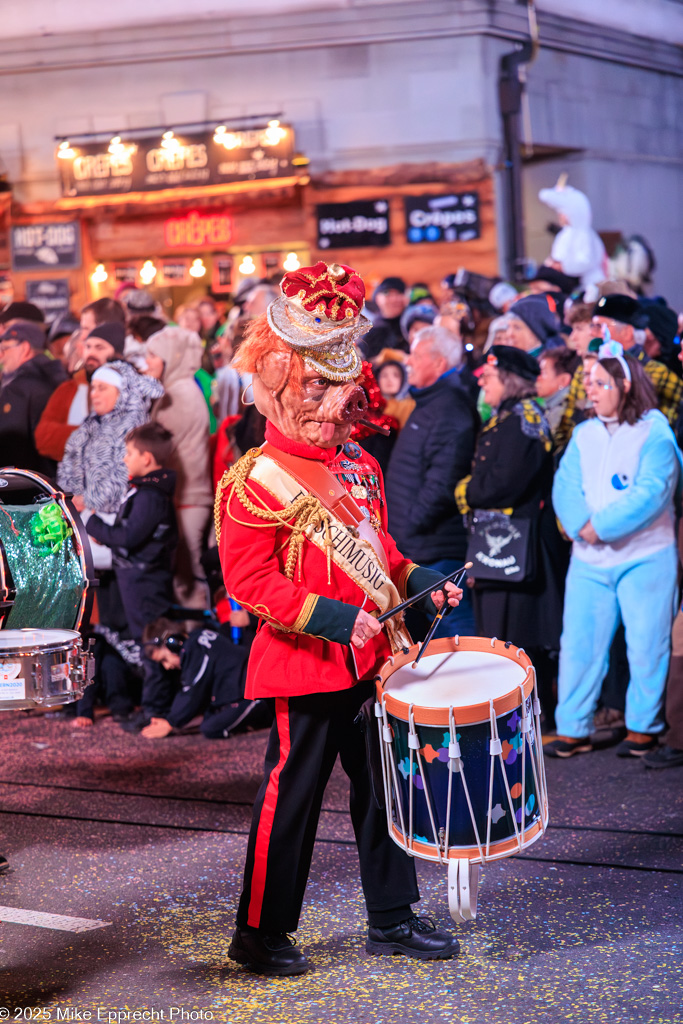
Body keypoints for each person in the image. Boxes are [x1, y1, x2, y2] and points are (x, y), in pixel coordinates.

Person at [216, 260, 463, 976]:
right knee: (288, 802)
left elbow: (379, 548)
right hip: (306, 662)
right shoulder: (254, 477)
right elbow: (248, 580)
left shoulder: (359, 466)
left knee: (385, 792)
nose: (327, 403)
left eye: (335, 388)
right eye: (314, 387)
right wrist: (331, 618)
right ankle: (259, 932)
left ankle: (391, 918)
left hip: (370, 659)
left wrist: (420, 579)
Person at [548, 342, 682, 758]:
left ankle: (643, 728)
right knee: (579, 645)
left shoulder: (655, 429)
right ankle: (573, 727)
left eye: (600, 383)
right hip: (589, 562)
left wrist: (599, 527)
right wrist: (579, 526)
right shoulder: (585, 433)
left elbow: (653, 491)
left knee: (647, 644)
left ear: (624, 385)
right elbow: (565, 484)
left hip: (646, 556)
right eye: (589, 383)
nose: (591, 390)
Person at [455, 346, 568, 729]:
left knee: (518, 636)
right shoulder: (509, 418)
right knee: (502, 634)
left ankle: (530, 721)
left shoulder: (522, 420)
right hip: (503, 544)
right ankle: (513, 719)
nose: (482, 382)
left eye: (489, 376)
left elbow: (501, 485)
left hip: (521, 547)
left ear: (508, 378)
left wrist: (467, 491)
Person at [84, 422, 178, 730]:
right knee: (144, 644)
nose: (124, 459)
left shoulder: (150, 496)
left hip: (147, 585)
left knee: (152, 645)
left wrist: (92, 522)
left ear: (147, 458)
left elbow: (128, 536)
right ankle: (150, 707)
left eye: (129, 453)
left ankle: (155, 711)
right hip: (137, 582)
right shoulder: (143, 492)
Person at [386, 325, 477, 636]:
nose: (407, 362)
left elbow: (442, 485)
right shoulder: (431, 403)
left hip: (435, 550)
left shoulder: (450, 409)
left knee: (457, 636)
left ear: (439, 363)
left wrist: (408, 527)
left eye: (416, 355)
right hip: (419, 546)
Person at [144, 326, 213, 610]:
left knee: (190, 571)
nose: (146, 362)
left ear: (171, 358)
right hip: (188, 494)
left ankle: (199, 637)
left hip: (188, 496)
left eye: (152, 356)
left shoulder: (178, 395)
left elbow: (158, 446)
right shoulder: (177, 389)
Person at [57, 360, 163, 515]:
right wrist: (69, 498)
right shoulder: (89, 424)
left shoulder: (133, 426)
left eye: (102, 388)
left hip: (114, 517)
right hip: (80, 513)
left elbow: (124, 474)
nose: (94, 394)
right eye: (93, 388)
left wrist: (87, 502)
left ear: (121, 392)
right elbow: (69, 463)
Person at [139, 619, 267, 740]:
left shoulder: (196, 652)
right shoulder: (197, 637)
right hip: (244, 687)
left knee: (211, 728)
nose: (167, 666)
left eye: (164, 659)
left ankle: (268, 714)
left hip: (256, 691)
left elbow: (191, 694)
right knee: (208, 719)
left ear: (174, 643)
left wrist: (170, 722)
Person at [35, 321, 129, 464]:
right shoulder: (69, 388)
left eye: (99, 347)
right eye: (88, 347)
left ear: (118, 353)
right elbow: (43, 438)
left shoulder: (129, 390)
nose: (91, 353)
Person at [593, 293, 682, 425]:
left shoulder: (656, 372)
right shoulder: (593, 365)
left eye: (602, 326)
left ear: (627, 332)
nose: (595, 333)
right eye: (594, 326)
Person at [0, 319, 66, 475]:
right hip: (57, 481)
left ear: (24, 348)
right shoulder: (64, 380)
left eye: (5, 349)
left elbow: (9, 446)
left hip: (26, 485)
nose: (1, 357)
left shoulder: (18, 388)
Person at [535, 346, 580, 452]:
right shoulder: (549, 408)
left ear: (563, 380)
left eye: (543, 373)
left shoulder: (563, 413)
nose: (537, 378)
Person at [360, 277, 408, 359]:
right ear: (377, 299)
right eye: (387, 293)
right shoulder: (371, 332)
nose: (394, 299)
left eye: (399, 293)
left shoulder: (411, 325)